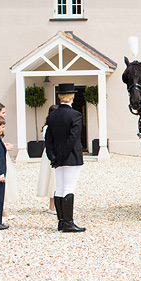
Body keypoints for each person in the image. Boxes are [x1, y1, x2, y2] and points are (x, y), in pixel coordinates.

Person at [45, 83, 86, 233]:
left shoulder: (52, 115)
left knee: (60, 188)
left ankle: (61, 221)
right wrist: (61, 156)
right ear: (72, 97)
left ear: (60, 97)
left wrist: (53, 156)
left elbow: (48, 138)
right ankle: (68, 222)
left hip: (57, 158)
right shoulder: (75, 115)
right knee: (69, 187)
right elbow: (73, 139)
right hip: (71, 157)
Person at [37, 104, 58, 214]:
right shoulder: (47, 127)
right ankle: (52, 206)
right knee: (52, 179)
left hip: (56, 152)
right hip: (50, 153)